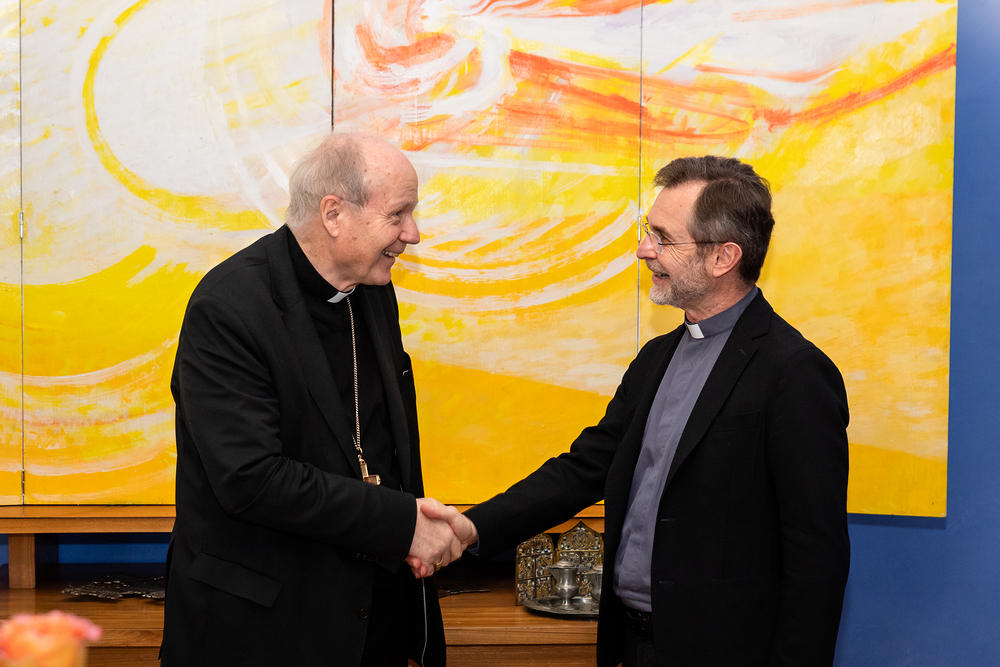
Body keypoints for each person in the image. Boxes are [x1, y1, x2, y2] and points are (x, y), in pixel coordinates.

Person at [434, 156, 851, 666]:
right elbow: (585, 468)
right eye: (648, 232)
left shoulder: (795, 372)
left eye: (663, 238)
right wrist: (471, 527)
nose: (643, 249)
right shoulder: (656, 358)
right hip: (631, 644)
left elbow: (817, 559)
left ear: (723, 257)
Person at [161, 133, 475, 667]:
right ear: (333, 214)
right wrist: (402, 525)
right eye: (398, 214)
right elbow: (250, 479)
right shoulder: (229, 306)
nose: (413, 234)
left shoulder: (372, 289)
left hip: (368, 620)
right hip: (262, 632)